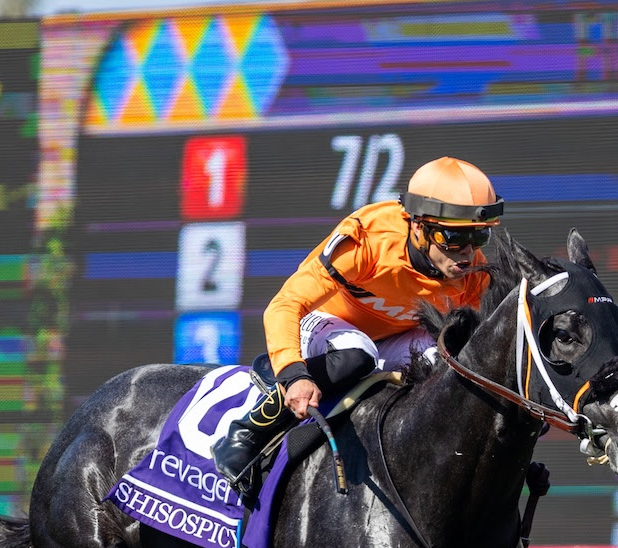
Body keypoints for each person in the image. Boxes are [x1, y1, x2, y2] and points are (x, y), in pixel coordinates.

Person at [211, 156, 504, 487]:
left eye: (479, 237)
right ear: (419, 227)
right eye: (454, 238)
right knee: (358, 352)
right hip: (326, 322)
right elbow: (284, 304)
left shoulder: (472, 276)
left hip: (391, 338)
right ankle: (247, 431)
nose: (467, 252)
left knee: (450, 361)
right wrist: (294, 374)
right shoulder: (369, 240)